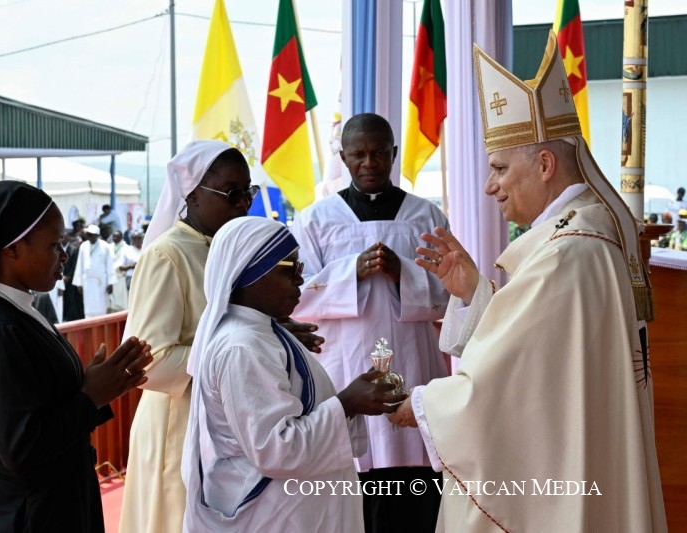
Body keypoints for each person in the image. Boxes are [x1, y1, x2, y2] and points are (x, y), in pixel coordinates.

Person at [388, 33, 666, 531]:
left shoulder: (567, 251)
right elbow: (543, 356)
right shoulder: (579, 235)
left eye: (498, 168)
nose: (489, 186)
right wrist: (474, 293)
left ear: (544, 165)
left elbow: (505, 381)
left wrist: (425, 406)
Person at [0, 181, 154, 532]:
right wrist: (91, 396)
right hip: (16, 515)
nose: (64, 255)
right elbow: (21, 448)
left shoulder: (18, 311)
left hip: (49, 504)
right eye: (55, 245)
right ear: (12, 249)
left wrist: (95, 384)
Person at [182, 215, 405, 532]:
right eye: (290, 268)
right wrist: (347, 403)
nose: (301, 279)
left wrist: (355, 400)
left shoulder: (262, 331)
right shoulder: (242, 347)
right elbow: (275, 448)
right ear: (249, 271)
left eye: (300, 267)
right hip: (272, 515)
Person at [289, 112, 450, 532]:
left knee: (413, 501)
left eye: (378, 153)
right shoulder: (315, 220)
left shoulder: (426, 217)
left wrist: (403, 275)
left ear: (393, 153)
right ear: (343, 157)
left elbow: (449, 294)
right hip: (345, 369)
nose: (369, 163)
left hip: (412, 366)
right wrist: (350, 273)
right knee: (352, 496)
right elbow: (295, 298)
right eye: (358, 154)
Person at [119, 141, 271, 533]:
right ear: (193, 194)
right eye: (231, 193)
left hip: (228, 419)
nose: (244, 204)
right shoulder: (167, 255)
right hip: (180, 423)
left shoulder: (230, 250)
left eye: (248, 192)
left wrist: (276, 334)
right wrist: (240, 350)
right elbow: (149, 361)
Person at [73, 224, 114, 318]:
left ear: (97, 235)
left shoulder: (105, 246)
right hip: (88, 282)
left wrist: (111, 282)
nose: (89, 236)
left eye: (91, 235)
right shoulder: (83, 246)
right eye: (88, 234)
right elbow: (80, 264)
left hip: (101, 282)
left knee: (102, 306)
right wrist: (79, 283)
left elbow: (109, 265)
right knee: (88, 307)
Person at [108, 230, 129, 312]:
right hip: (110, 277)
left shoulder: (126, 247)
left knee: (121, 303)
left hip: (120, 277)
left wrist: (126, 267)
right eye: (113, 236)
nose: (115, 238)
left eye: (117, 237)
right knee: (111, 303)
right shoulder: (109, 247)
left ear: (121, 237)